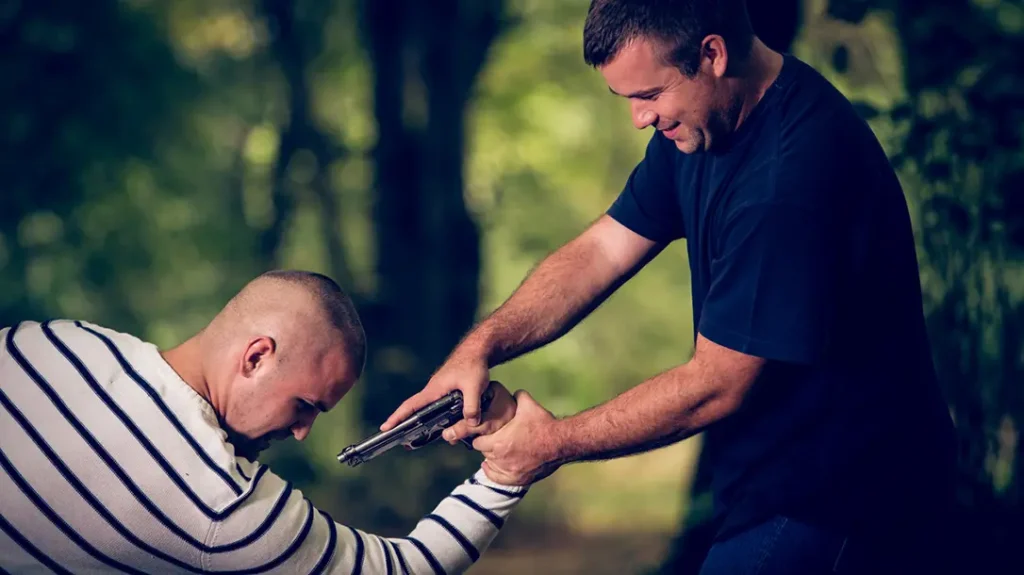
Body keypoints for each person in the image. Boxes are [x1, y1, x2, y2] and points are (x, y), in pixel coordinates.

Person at [381, 1, 958, 573]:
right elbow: (603, 249)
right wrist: (478, 348)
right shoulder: (703, 125)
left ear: (712, 53)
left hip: (847, 494)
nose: (639, 119)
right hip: (776, 480)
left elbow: (715, 385)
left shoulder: (787, 182)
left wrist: (552, 442)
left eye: (649, 95)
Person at [0, 270, 524, 574]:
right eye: (305, 406)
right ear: (255, 358)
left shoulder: (50, 339)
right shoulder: (222, 504)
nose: (302, 432)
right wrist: (506, 474)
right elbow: (408, 569)